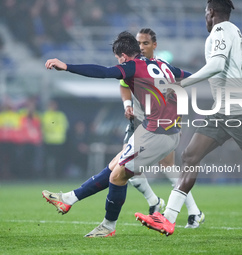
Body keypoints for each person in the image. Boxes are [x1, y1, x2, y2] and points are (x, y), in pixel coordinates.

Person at [135, 0, 242, 237]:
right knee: (190, 155)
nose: (205, 17)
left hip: (237, 109)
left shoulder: (220, 31)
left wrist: (180, 84)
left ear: (211, 12)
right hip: (221, 110)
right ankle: (168, 219)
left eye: (205, 12)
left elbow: (216, 65)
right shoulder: (238, 36)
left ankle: (168, 218)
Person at [43, 31, 191, 237]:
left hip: (157, 133)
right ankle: (69, 199)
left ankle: (108, 226)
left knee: (118, 176)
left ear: (122, 55)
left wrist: (67, 66)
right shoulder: (162, 65)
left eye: (118, 59)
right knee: (115, 165)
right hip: (163, 129)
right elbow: (192, 76)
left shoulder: (132, 66)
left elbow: (102, 72)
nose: (118, 62)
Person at [122, 28, 204, 226]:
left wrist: (176, 120)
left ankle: (166, 205)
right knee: (129, 167)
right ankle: (185, 209)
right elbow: (123, 86)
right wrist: (127, 105)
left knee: (140, 167)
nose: (141, 47)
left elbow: (179, 88)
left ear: (154, 45)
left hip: (160, 123)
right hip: (141, 120)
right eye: (139, 43)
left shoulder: (163, 66)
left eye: (145, 43)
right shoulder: (132, 64)